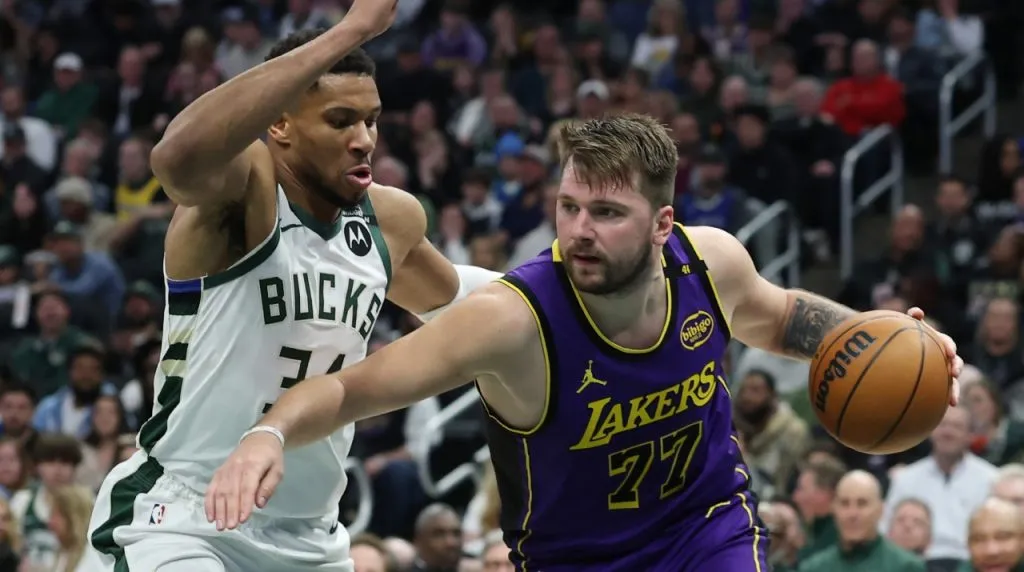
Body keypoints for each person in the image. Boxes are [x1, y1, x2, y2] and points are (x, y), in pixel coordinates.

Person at [207, 114, 963, 571]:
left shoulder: (711, 261)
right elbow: (350, 389)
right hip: (575, 560)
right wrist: (268, 431)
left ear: (664, 227)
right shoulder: (513, 320)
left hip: (705, 527)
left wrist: (894, 340)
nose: (577, 231)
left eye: (604, 212)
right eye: (568, 207)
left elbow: (781, 315)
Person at [86, 3, 500, 571]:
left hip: (311, 537)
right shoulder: (245, 191)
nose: (363, 140)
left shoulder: (389, 220)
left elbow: (463, 302)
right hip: (186, 522)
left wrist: (580, 291)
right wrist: (352, 29)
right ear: (278, 124)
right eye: (339, 120)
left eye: (371, 120)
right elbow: (176, 158)